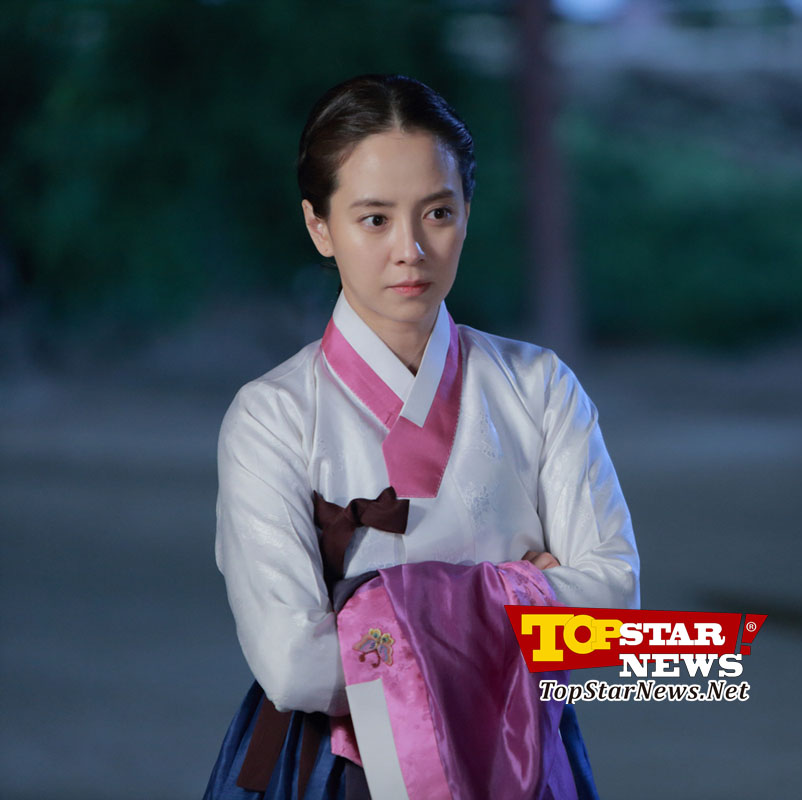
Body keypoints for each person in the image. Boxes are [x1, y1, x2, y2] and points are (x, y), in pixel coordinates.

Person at [203, 74, 639, 799]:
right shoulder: (271, 416)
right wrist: (525, 591)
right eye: (374, 219)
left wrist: (372, 617)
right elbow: (292, 665)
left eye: (437, 212)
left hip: (521, 753)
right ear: (319, 226)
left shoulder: (539, 386)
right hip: (336, 767)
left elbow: (613, 611)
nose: (410, 249)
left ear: (467, 212)